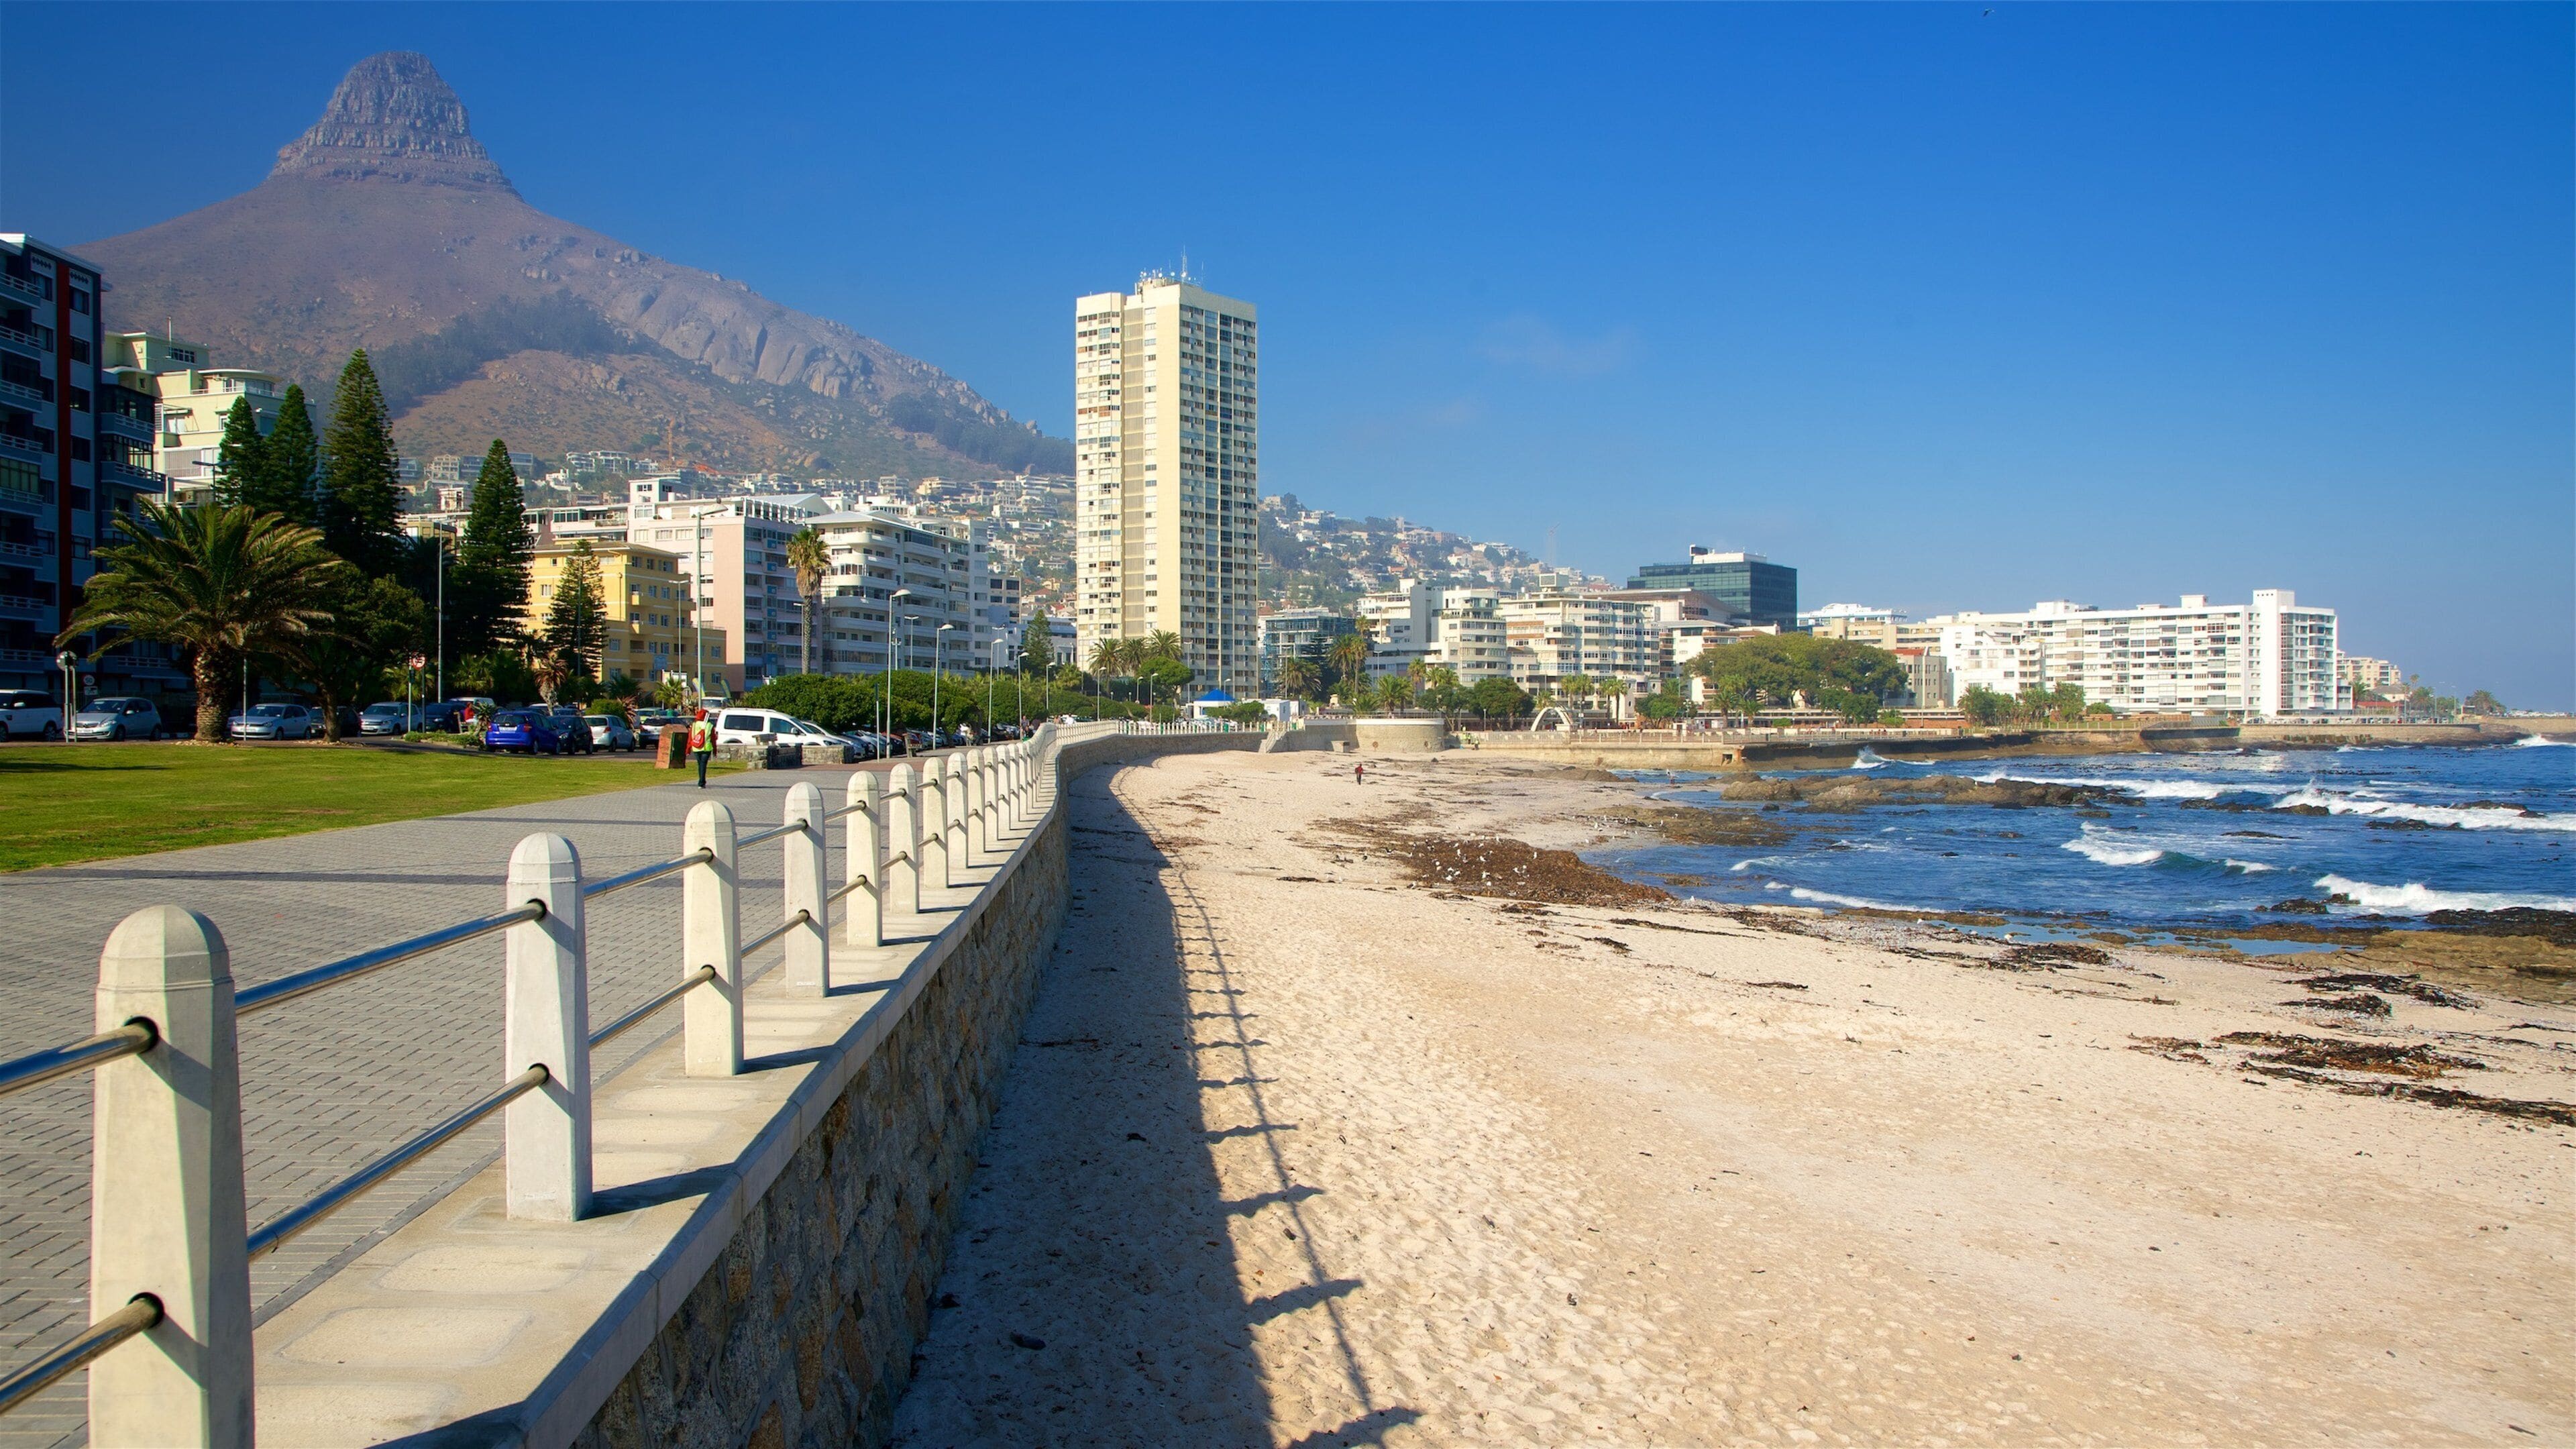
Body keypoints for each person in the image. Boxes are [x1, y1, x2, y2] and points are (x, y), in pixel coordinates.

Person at [688, 708, 714, 788]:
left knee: (700, 764)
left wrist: (688, 749)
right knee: (703, 764)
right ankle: (702, 782)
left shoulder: (694, 725)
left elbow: (690, 737)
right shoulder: (709, 725)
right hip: (706, 748)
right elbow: (713, 739)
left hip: (696, 747)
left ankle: (701, 781)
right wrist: (715, 750)